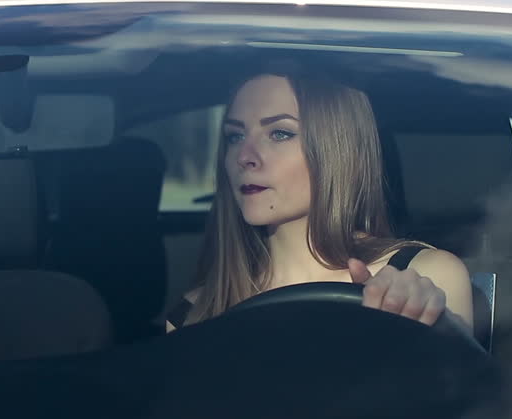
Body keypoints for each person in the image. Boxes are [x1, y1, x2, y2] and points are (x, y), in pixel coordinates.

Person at [165, 68, 474, 333]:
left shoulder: (423, 278)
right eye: (235, 136)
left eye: (280, 134)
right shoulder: (194, 314)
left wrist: (418, 327)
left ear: (338, 150)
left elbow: (457, 385)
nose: (244, 157)